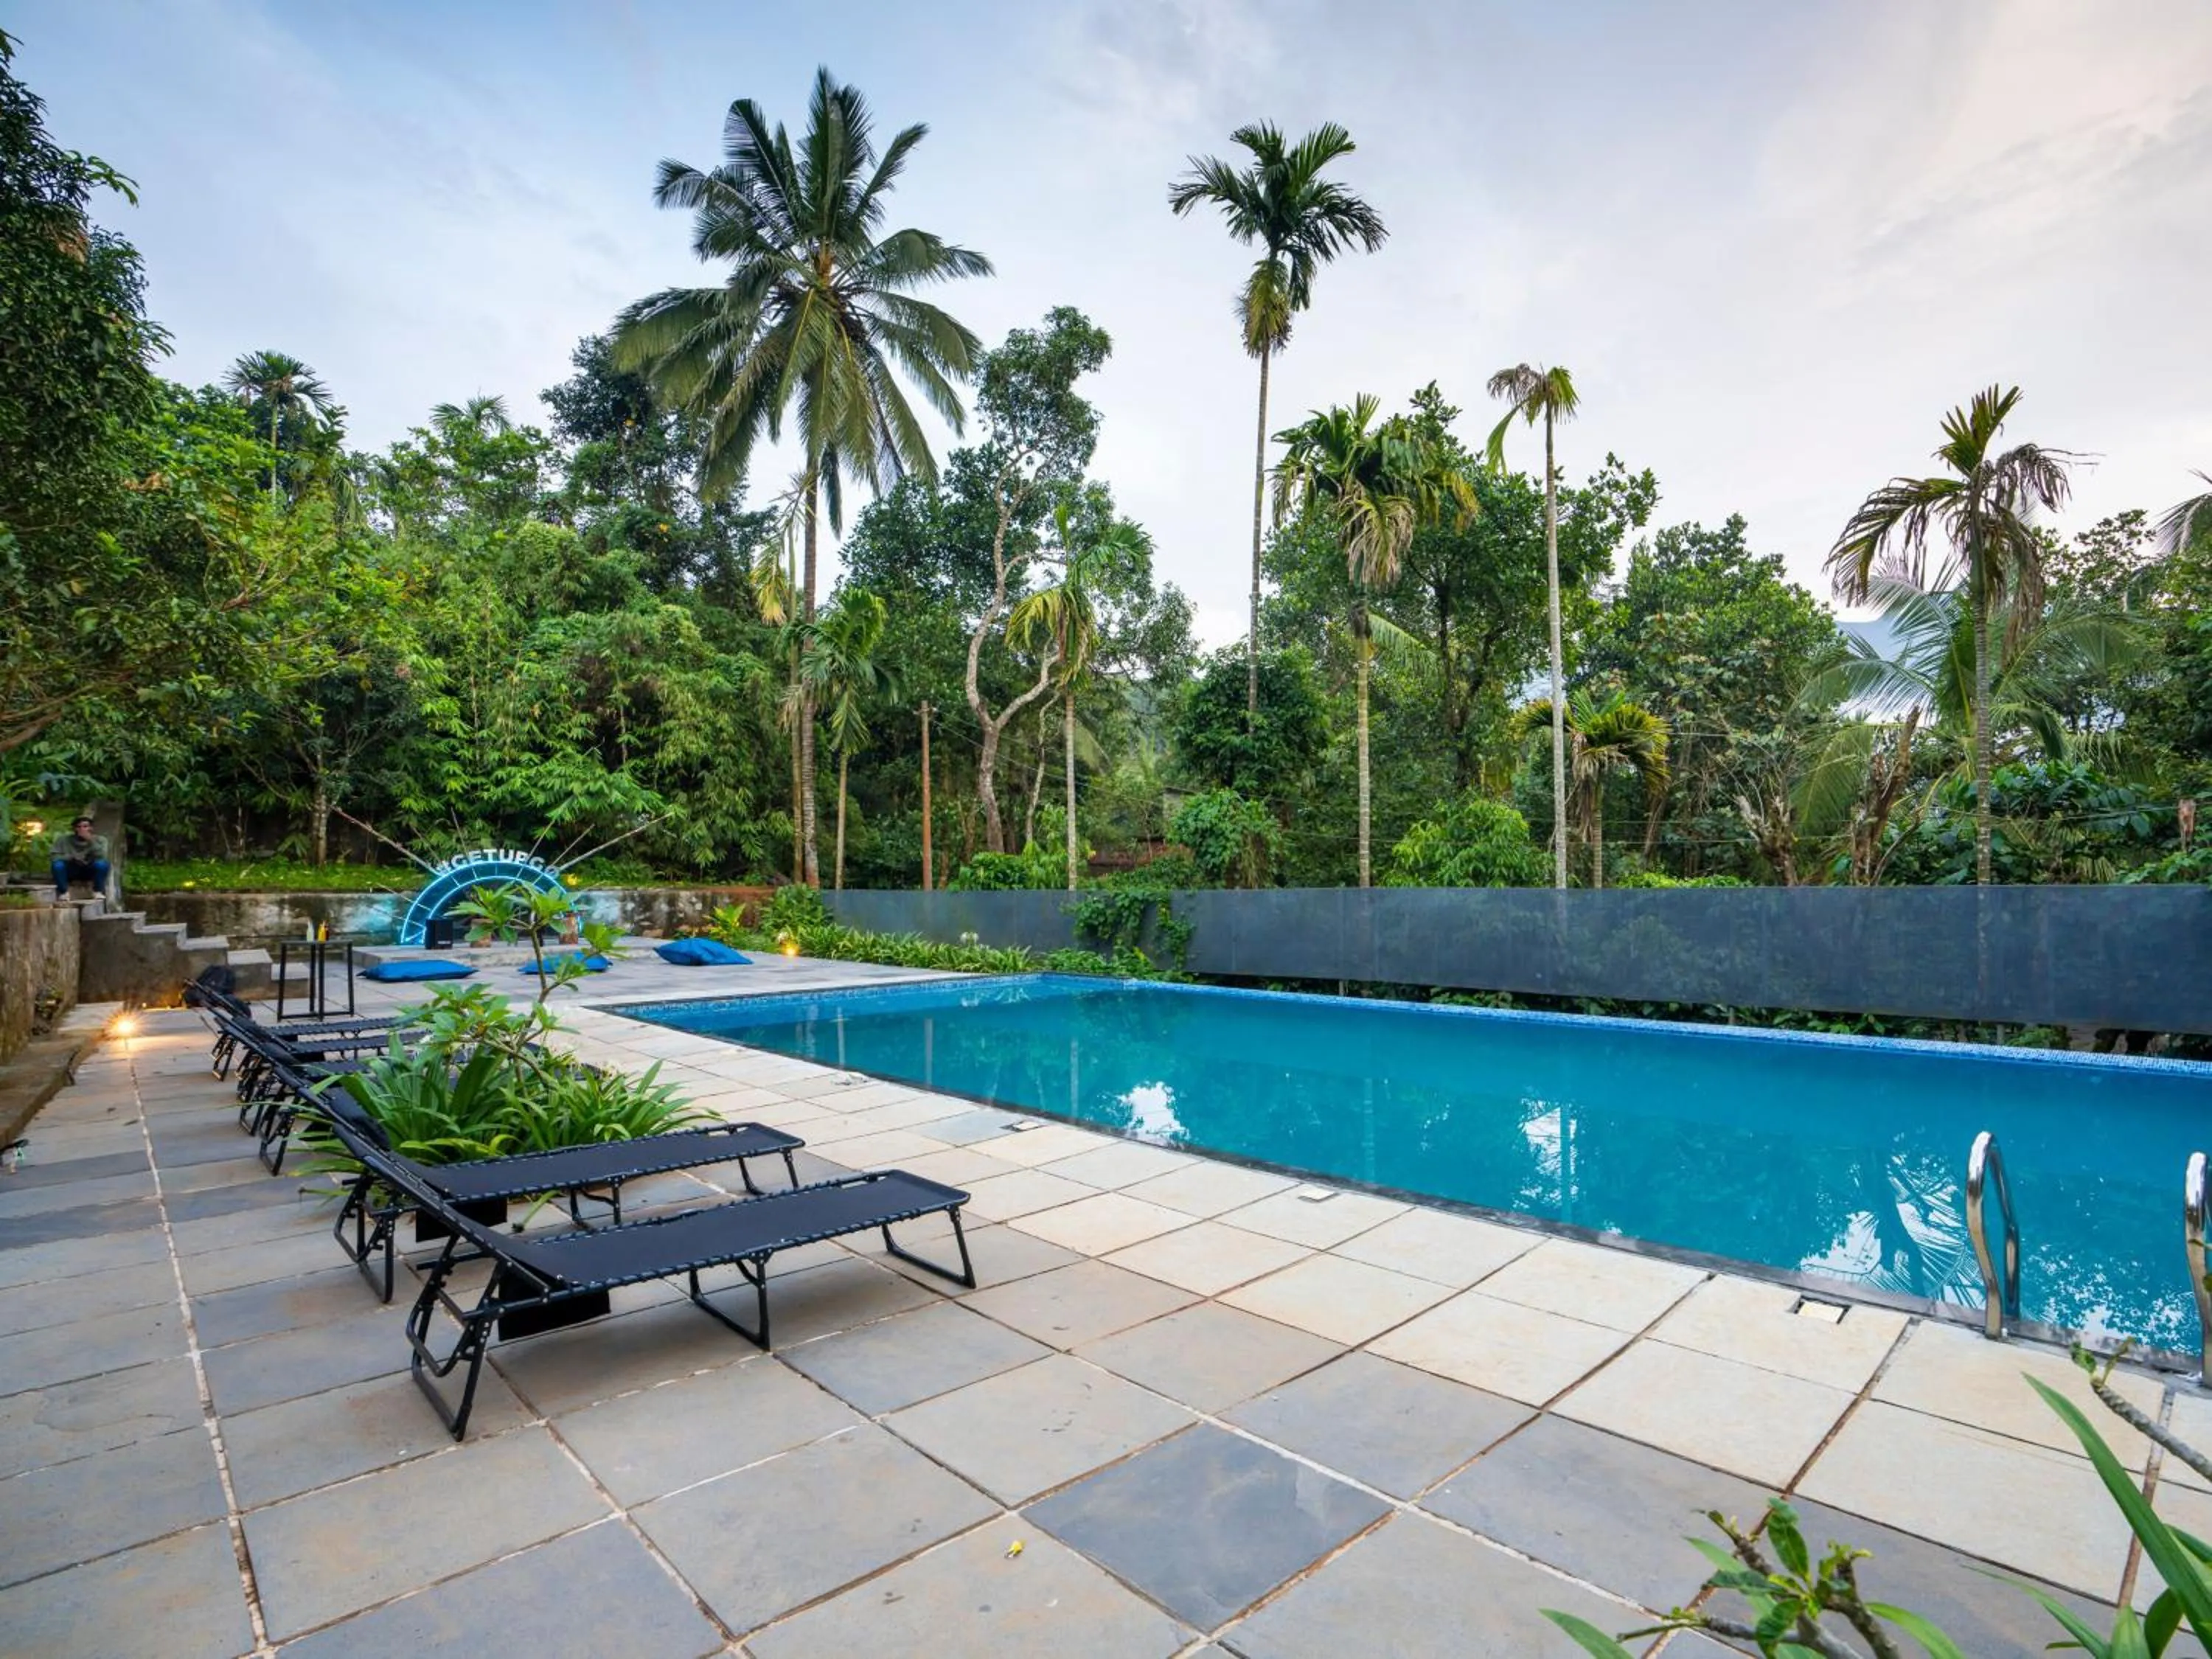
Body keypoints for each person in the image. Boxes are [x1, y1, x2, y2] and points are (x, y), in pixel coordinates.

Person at [50, 816, 111, 899]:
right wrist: (71, 858)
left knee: (102, 864)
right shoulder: (63, 840)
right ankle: (64, 892)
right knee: (58, 865)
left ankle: (98, 891)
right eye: (79, 827)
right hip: (71, 869)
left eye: (85, 826)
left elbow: (102, 856)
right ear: (74, 829)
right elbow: (54, 856)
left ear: (91, 828)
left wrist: (90, 840)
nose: (82, 829)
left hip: (90, 869)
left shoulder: (101, 840)